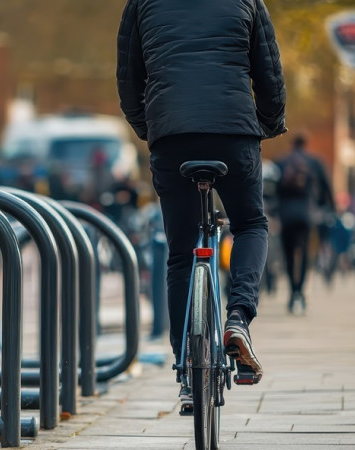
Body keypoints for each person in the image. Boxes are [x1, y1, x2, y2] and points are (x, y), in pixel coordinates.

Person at [117, 0, 286, 408]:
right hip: (234, 131)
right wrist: (269, 122)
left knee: (181, 253)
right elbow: (268, 71)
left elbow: (128, 76)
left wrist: (150, 128)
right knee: (250, 225)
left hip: (171, 134)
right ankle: (238, 317)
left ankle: (186, 368)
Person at [275, 134, 335, 314]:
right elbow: (326, 187)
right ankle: (300, 292)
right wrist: (328, 207)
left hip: (285, 214)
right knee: (304, 253)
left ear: (292, 144)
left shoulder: (281, 162)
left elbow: (272, 188)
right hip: (306, 214)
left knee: (288, 254)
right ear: (306, 144)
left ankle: (292, 291)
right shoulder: (315, 162)